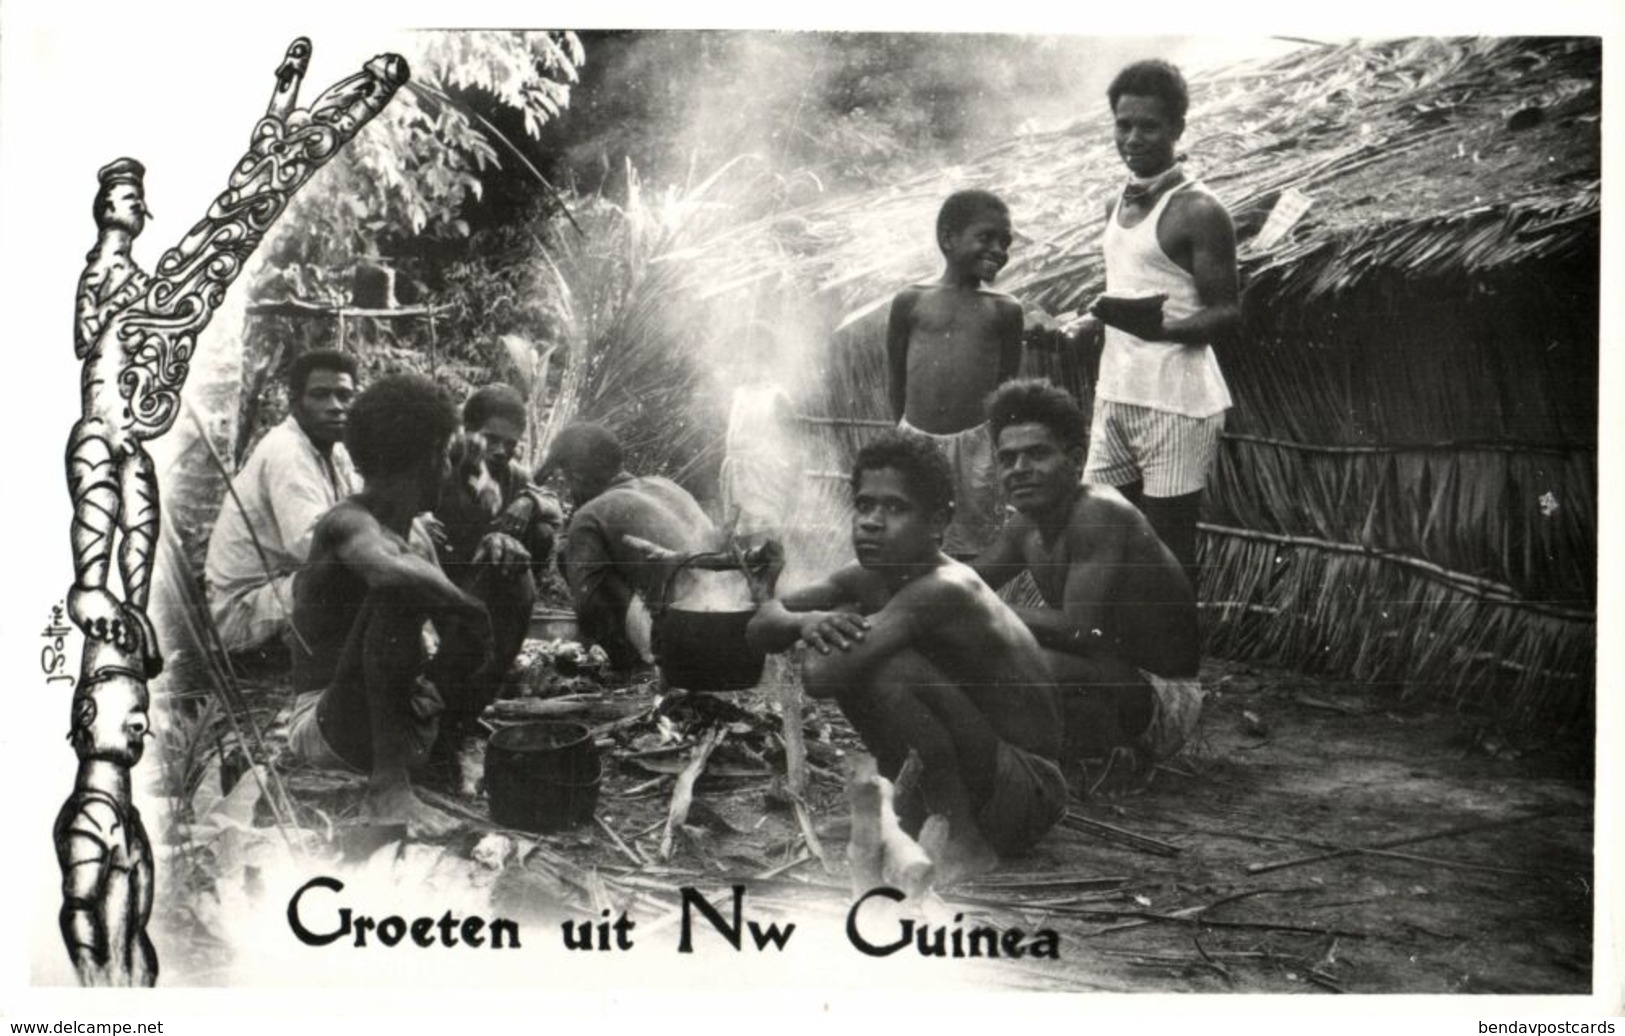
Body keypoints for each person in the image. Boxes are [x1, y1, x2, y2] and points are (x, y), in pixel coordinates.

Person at [747, 431, 1065, 883]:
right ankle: (911, 811)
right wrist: (804, 621)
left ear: (938, 522)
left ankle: (964, 840)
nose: (872, 522)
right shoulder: (866, 577)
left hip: (1026, 790)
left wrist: (824, 622)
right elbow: (761, 624)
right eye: (864, 505)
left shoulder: (946, 589)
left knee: (884, 667)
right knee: (864, 650)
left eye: (895, 508)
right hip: (986, 772)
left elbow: (821, 675)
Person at [283, 374, 493, 836]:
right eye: (445, 457)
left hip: (398, 716)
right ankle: (388, 787)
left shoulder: (414, 533)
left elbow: (459, 630)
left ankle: (446, 744)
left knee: (508, 579)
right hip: (327, 728)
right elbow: (384, 570)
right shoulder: (347, 521)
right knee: (403, 586)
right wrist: (467, 607)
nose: (450, 470)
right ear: (429, 460)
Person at [974, 379, 1203, 793]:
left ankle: (1114, 753)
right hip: (1106, 669)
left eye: (1036, 454)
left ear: (1076, 459)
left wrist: (978, 608)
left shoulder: (1099, 513)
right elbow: (965, 581)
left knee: (1006, 658)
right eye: (1007, 459)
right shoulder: (1024, 526)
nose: (1019, 469)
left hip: (1161, 697)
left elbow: (1079, 628)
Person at [1083, 59, 1241, 586]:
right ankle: (1123, 660)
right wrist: (1092, 322)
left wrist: (1164, 331)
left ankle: (1177, 670)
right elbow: (1124, 291)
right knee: (1102, 526)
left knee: (1169, 544)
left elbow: (1227, 311)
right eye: (1123, 125)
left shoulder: (1199, 210)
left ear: (1177, 128)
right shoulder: (1113, 202)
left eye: (1149, 126)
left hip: (1177, 399)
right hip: (1117, 392)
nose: (1133, 138)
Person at [885, 189, 1023, 558]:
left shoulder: (1005, 311)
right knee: (909, 537)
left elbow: (1005, 389)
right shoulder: (910, 301)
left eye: (1005, 242)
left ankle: (969, 609)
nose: (998, 249)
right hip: (915, 439)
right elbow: (897, 377)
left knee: (974, 544)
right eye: (986, 237)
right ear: (948, 238)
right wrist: (902, 435)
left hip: (977, 448)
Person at [204, 350, 362, 653]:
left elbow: (357, 508)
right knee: (353, 566)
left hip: (281, 591)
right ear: (295, 402)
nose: (335, 407)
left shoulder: (335, 449)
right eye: (320, 395)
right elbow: (312, 546)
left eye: (344, 395)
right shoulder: (287, 451)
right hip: (242, 611)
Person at [541, 422, 717, 670]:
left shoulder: (591, 514)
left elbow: (589, 609)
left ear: (575, 476)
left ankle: (636, 665)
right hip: (728, 628)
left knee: (566, 551)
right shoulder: (665, 485)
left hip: (684, 645)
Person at [430, 384, 564, 682]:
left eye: (510, 443)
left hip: (488, 578)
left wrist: (529, 501)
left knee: (541, 532)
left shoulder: (513, 475)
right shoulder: (440, 465)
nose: (501, 451)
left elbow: (555, 509)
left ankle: (499, 653)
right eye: (491, 439)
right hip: (437, 582)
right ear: (467, 431)